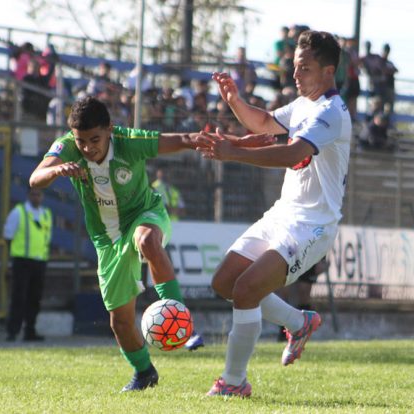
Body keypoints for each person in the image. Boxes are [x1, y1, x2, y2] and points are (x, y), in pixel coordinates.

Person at [28, 96, 273, 392]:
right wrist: (56, 170)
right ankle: (144, 372)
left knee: (146, 240)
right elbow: (35, 179)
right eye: (82, 141)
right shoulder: (68, 146)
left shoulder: (129, 142)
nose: (88, 148)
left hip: (146, 214)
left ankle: (181, 319)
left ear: (110, 129)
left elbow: (186, 138)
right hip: (107, 240)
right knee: (120, 322)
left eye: (95, 139)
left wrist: (242, 143)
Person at [196, 30, 351, 397]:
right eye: (294, 66)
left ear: (328, 72)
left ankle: (234, 383)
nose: (295, 75)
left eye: (304, 68)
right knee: (224, 282)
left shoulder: (331, 112)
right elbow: (264, 123)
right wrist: (235, 100)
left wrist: (234, 153)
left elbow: (289, 153)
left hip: (312, 226)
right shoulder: (302, 104)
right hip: (283, 214)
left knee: (247, 289)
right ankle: (299, 323)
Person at [3, 187, 52, 342]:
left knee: (35, 298)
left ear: (42, 196)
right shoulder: (19, 212)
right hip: (22, 261)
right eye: (33, 194)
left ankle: (30, 331)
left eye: (38, 194)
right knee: (19, 296)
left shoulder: (46, 214)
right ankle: (12, 331)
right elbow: (8, 236)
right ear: (28, 195)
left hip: (40, 261)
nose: (36, 197)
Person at [274, 257, 327, 341]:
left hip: (307, 255)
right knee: (284, 292)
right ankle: (283, 333)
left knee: (304, 292)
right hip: (290, 255)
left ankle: (303, 330)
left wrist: (322, 260)